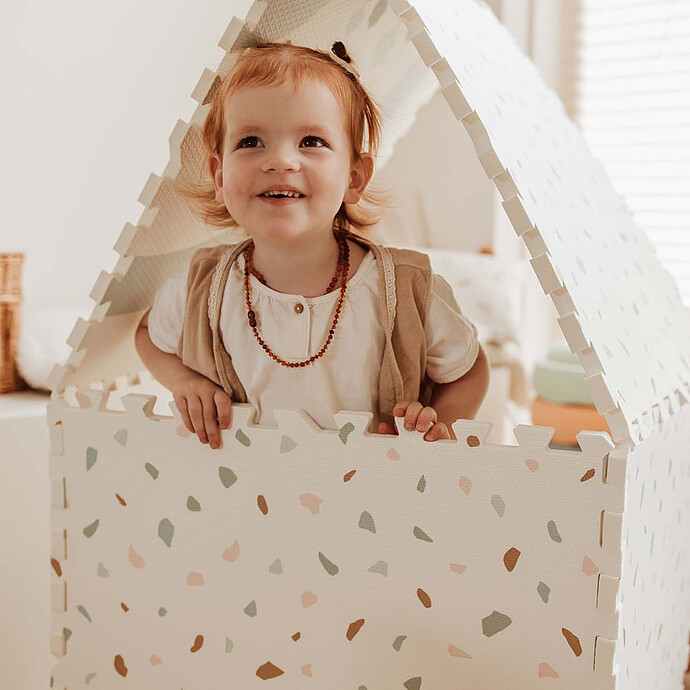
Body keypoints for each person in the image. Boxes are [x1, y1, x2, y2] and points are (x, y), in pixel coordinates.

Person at [135, 40, 490, 450]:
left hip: (371, 489)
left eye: (311, 142)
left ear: (354, 178)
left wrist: (441, 427)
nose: (280, 161)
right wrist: (184, 381)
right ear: (219, 176)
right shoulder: (203, 288)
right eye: (250, 142)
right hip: (249, 488)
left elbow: (470, 369)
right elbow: (147, 334)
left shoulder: (405, 290)